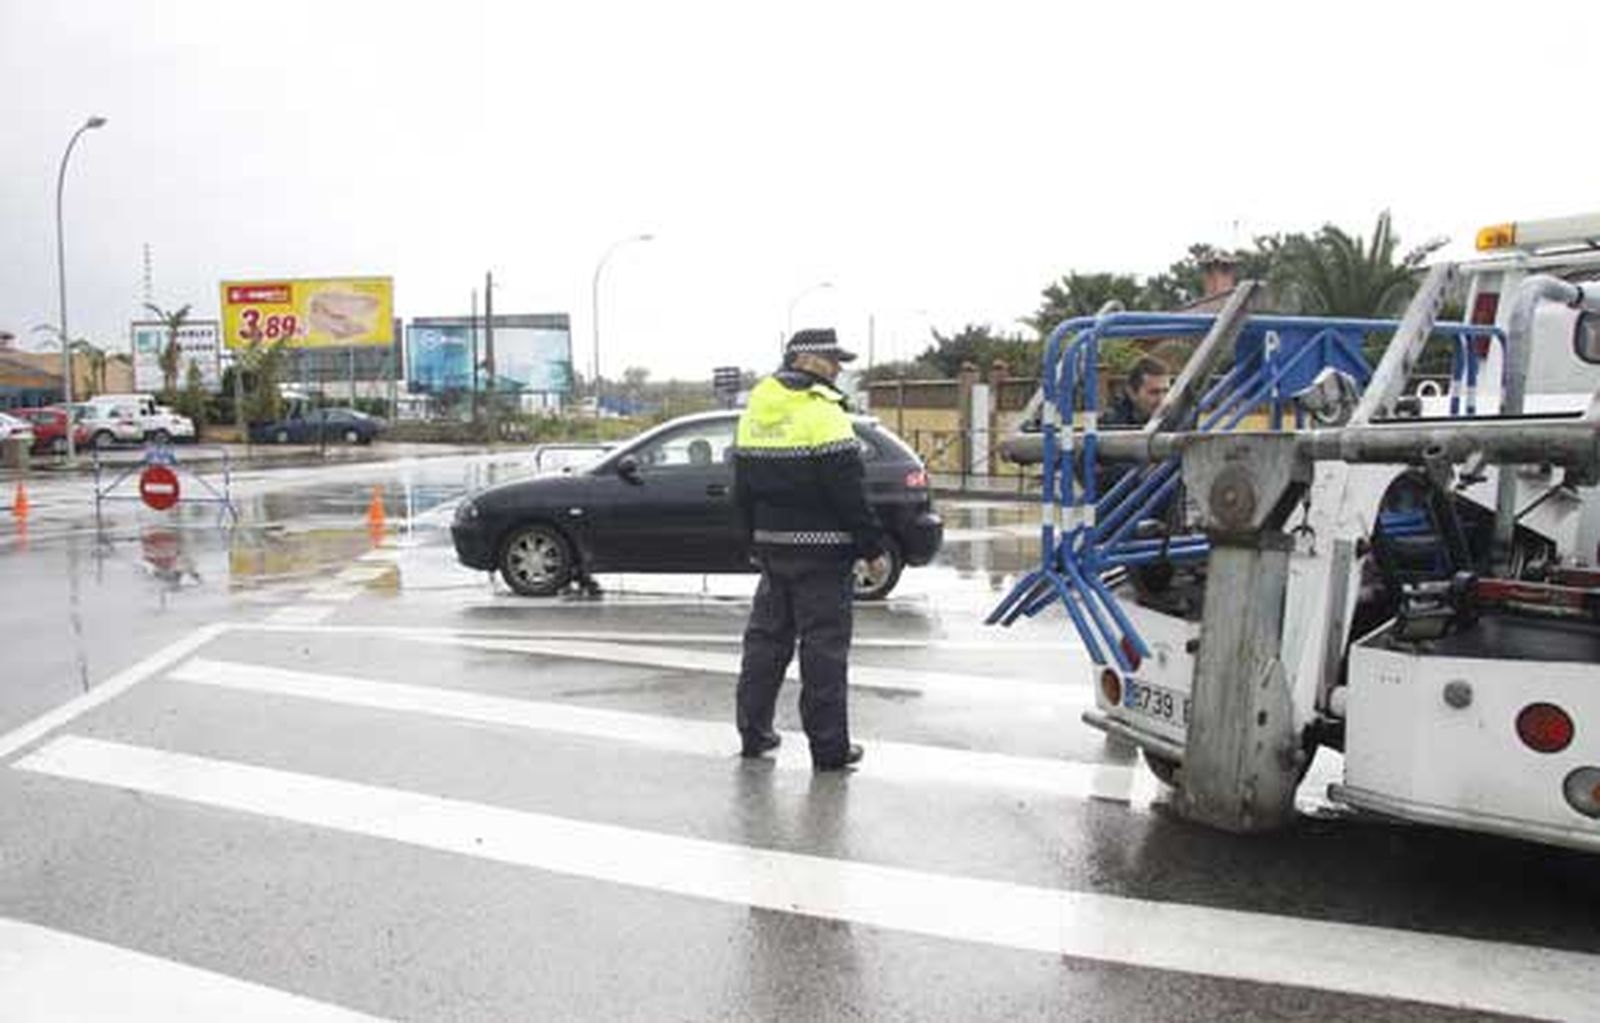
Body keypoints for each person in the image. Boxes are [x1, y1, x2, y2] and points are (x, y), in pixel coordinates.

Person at [732, 328, 887, 771]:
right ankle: (829, 749)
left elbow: (741, 487)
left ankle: (754, 734)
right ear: (808, 359)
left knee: (765, 645)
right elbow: (848, 491)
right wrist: (871, 546)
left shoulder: (757, 406)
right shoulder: (822, 410)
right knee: (823, 651)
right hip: (823, 554)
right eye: (833, 359)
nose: (839, 367)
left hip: (773, 552)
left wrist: (751, 542)